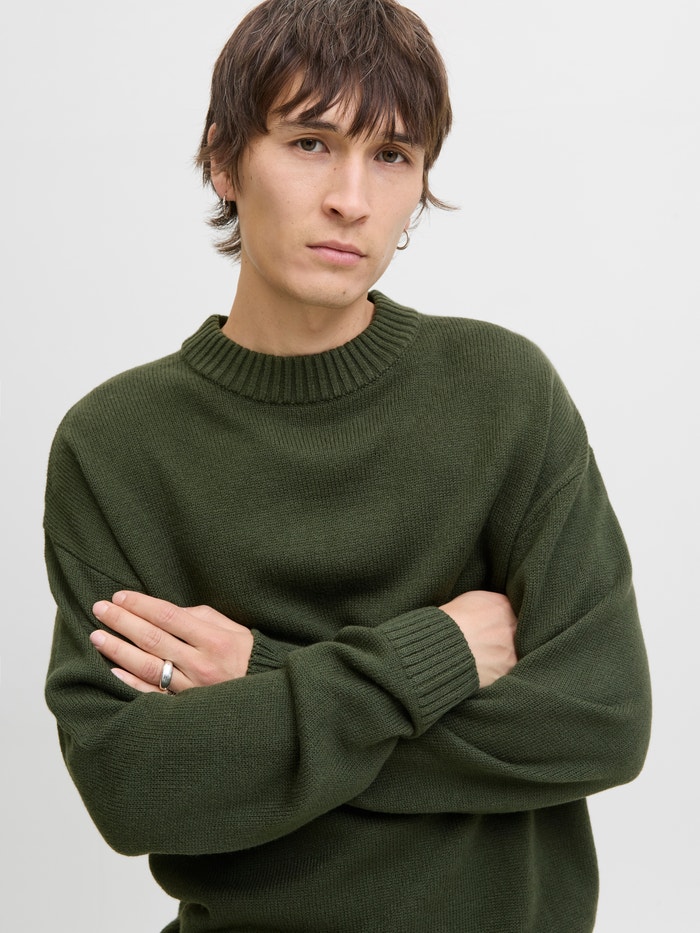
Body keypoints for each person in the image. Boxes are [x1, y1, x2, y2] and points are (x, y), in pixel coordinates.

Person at [43, 1, 651, 931]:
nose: (352, 199)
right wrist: (439, 652)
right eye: (310, 143)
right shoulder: (116, 444)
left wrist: (257, 676)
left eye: (393, 155)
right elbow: (132, 786)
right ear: (224, 159)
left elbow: (599, 721)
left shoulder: (503, 393)